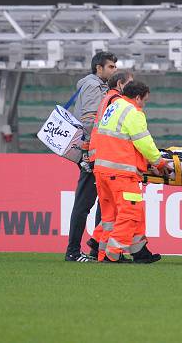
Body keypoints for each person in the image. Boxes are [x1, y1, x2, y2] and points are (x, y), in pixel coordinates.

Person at [92, 81, 168, 263]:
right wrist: (159, 163)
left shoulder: (114, 106)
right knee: (130, 213)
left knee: (110, 216)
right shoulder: (132, 112)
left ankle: (106, 252)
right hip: (121, 173)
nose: (144, 105)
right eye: (144, 101)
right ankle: (113, 253)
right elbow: (144, 143)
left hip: (102, 171)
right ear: (137, 97)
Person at [65, 51, 117, 262]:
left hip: (96, 152)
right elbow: (89, 120)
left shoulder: (99, 86)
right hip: (92, 152)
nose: (114, 70)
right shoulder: (93, 86)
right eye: (111, 67)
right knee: (85, 203)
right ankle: (73, 251)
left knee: (102, 202)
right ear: (99, 68)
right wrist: (89, 152)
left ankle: (97, 249)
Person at [86, 70, 134, 259]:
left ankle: (98, 245)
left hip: (99, 158)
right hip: (110, 160)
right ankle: (102, 245)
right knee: (118, 210)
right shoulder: (117, 102)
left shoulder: (108, 98)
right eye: (129, 83)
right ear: (121, 84)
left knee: (108, 211)